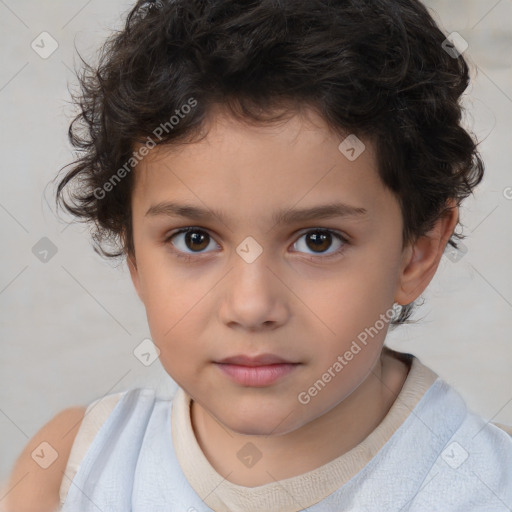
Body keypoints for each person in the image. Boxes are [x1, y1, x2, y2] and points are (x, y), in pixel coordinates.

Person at [4, 0, 512, 510]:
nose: (250, 306)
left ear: (416, 253)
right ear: (133, 254)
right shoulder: (72, 471)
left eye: (318, 240)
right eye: (194, 239)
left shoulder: (487, 483)